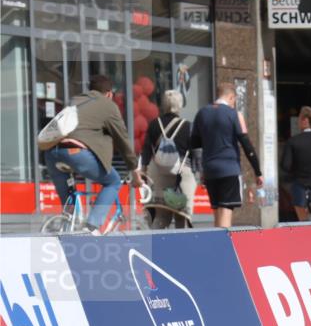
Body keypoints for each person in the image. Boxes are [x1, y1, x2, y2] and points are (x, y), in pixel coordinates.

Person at [43, 74, 137, 234]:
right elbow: (123, 139)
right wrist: (134, 169)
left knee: (68, 201)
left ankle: (68, 223)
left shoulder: (75, 101)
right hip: (75, 152)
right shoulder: (108, 105)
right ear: (109, 93)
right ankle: (91, 227)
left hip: (52, 154)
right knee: (113, 181)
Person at [190, 82, 263, 228]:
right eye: (234, 100)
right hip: (229, 169)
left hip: (210, 170)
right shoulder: (234, 114)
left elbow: (194, 144)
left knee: (217, 211)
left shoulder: (201, 113)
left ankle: (217, 247)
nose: (234, 104)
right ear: (231, 97)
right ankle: (224, 247)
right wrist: (257, 171)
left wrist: (201, 169)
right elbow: (246, 144)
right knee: (226, 211)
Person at [140, 90, 196, 228]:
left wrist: (144, 169)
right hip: (182, 175)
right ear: (180, 105)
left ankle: (155, 246)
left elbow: (147, 149)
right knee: (181, 217)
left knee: (161, 217)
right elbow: (195, 152)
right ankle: (180, 247)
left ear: (163, 105)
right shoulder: (188, 126)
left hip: (159, 175)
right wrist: (199, 171)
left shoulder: (154, 124)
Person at [281, 106, 311, 221]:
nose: (298, 122)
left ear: (305, 120)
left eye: (299, 118)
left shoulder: (293, 141)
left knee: (304, 223)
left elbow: (285, 166)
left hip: (300, 187)